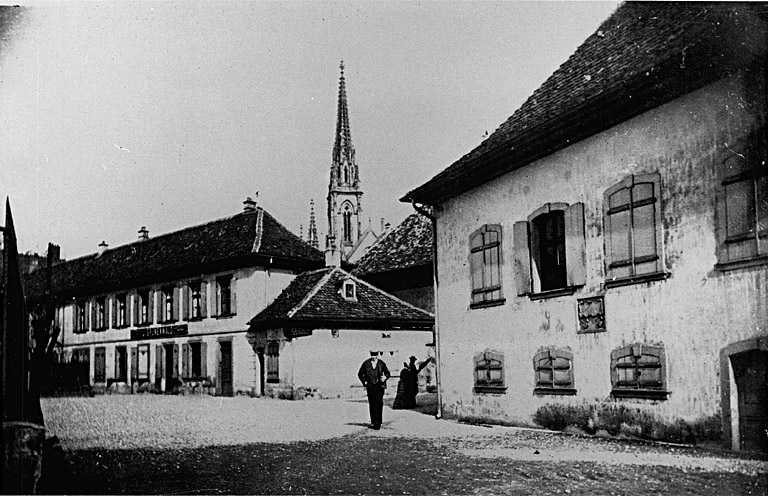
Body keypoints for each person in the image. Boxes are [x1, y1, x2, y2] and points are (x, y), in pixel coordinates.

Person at [357, 351, 390, 429]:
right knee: (372, 403)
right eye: (372, 355)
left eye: (375, 355)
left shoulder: (381, 363)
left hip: (380, 386)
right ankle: (374, 422)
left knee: (379, 403)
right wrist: (364, 382)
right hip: (370, 386)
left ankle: (378, 422)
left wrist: (385, 378)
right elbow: (360, 374)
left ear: (377, 355)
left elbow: (388, 373)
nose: (373, 357)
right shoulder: (366, 363)